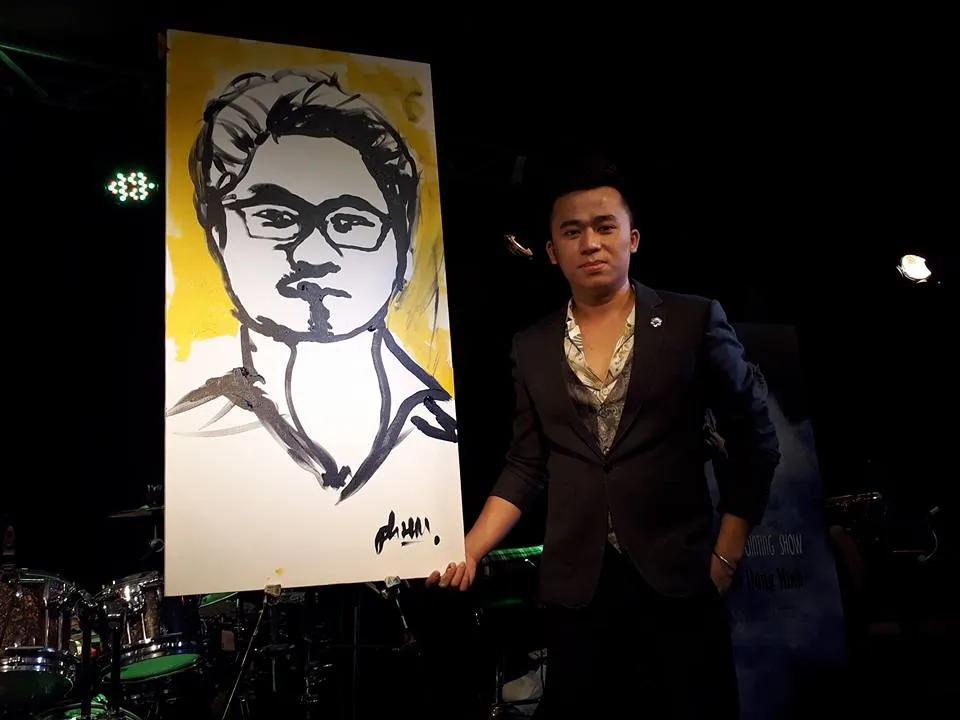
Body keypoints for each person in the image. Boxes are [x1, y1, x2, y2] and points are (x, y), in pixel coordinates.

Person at [428, 156, 781, 718]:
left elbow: (756, 441)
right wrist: (470, 549)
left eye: (604, 227)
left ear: (632, 239)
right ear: (552, 251)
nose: (590, 242)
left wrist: (727, 553)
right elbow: (525, 463)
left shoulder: (693, 320)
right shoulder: (531, 345)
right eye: (572, 232)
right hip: (577, 591)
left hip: (681, 578)